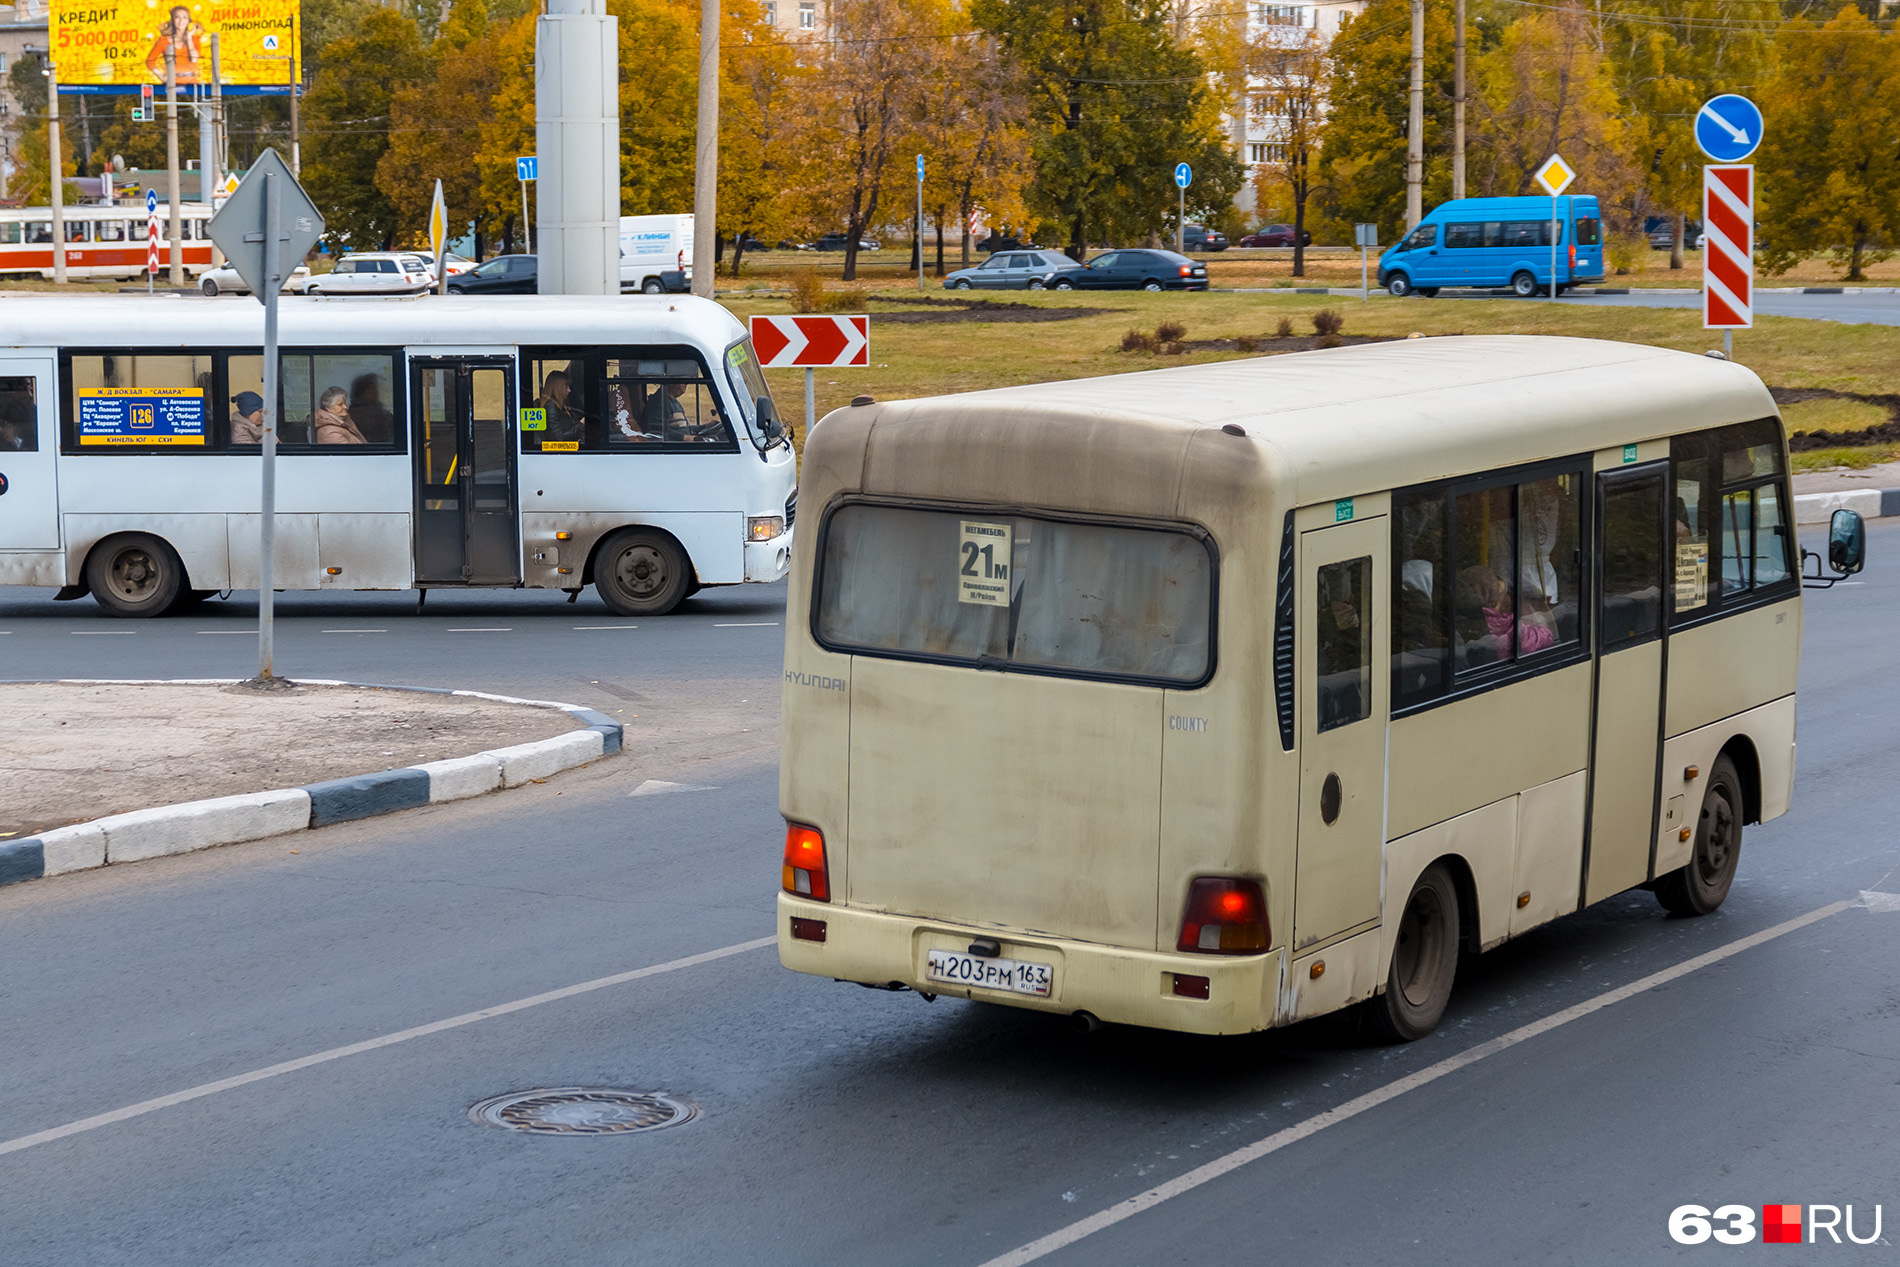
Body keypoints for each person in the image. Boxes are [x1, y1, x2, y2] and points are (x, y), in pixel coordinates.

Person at [145, 6, 203, 84]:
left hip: (192, 84)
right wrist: (162, 77)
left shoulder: (195, 39)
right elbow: (149, 61)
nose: (181, 20)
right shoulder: (163, 41)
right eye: (177, 17)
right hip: (171, 85)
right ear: (172, 20)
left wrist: (189, 37)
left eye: (184, 17)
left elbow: (194, 59)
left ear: (189, 21)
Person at [538, 370, 584, 446]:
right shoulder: (551, 406)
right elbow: (559, 437)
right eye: (566, 387)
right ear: (558, 388)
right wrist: (580, 425)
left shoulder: (561, 405)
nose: (569, 390)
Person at [348, 374, 396, 445]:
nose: (377, 392)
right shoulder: (369, 414)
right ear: (363, 391)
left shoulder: (349, 413)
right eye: (373, 389)